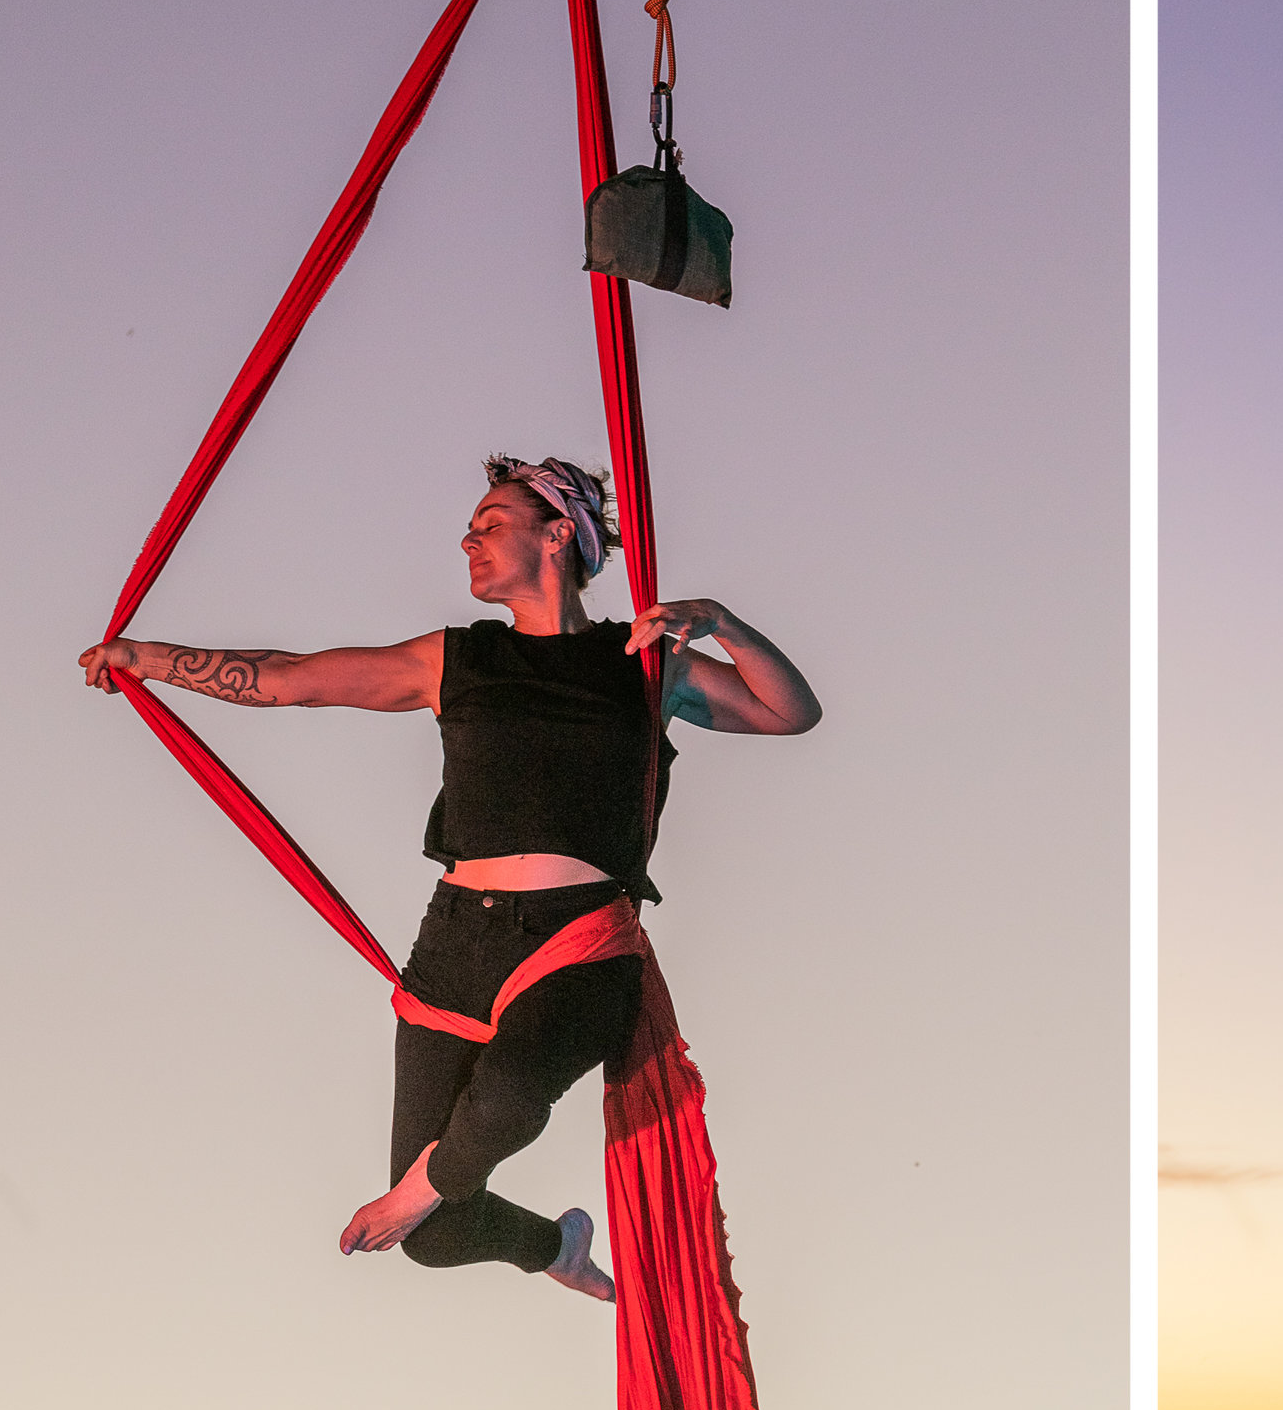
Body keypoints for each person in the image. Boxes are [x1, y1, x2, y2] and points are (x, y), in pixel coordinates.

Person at [78, 456, 821, 1299]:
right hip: (456, 940)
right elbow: (290, 681)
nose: (468, 537)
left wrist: (722, 621)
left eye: (490, 521)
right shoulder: (455, 659)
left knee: (492, 1114)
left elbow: (789, 711)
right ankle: (553, 1247)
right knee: (436, 1235)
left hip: (579, 941)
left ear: (557, 534)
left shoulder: (642, 664)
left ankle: (419, 1191)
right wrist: (149, 656)